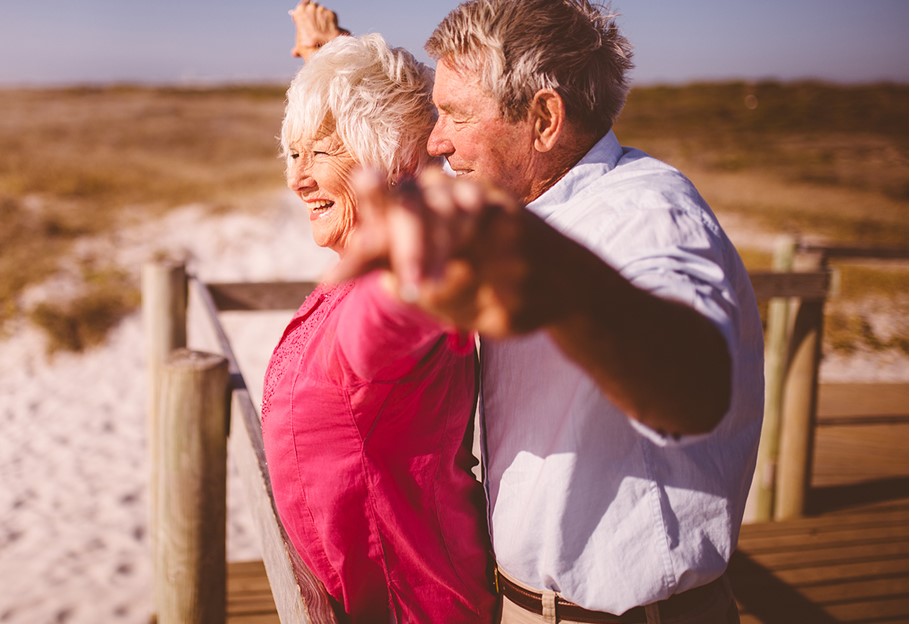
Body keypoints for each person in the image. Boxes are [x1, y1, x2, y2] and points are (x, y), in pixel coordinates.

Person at [313, 0, 765, 622]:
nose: (436, 139)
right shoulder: (520, 206)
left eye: (454, 113)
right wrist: (332, 53)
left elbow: (699, 386)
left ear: (545, 118)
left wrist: (557, 283)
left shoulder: (647, 214)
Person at [260, 32, 497, 623]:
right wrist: (331, 53)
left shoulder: (398, 280)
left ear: (390, 161)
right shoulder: (355, 261)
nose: (298, 179)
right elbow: (383, 120)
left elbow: (383, 328)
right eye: (294, 153)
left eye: (322, 154)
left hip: (413, 606)